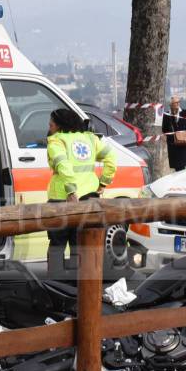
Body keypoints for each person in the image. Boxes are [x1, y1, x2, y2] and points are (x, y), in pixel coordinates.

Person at [46, 108, 116, 280]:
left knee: (57, 244)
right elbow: (111, 159)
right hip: (90, 198)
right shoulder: (90, 139)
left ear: (60, 125)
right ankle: (80, 288)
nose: (49, 126)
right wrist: (103, 182)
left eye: (51, 123)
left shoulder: (57, 141)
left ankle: (56, 285)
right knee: (81, 244)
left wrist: (71, 191)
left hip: (62, 199)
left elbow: (63, 166)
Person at [162, 96, 186, 172]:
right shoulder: (166, 115)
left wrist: (185, 135)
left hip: (184, 143)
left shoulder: (185, 112)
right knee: (177, 167)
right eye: (175, 103)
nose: (178, 104)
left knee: (183, 166)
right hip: (173, 144)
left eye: (178, 102)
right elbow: (164, 130)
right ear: (171, 104)